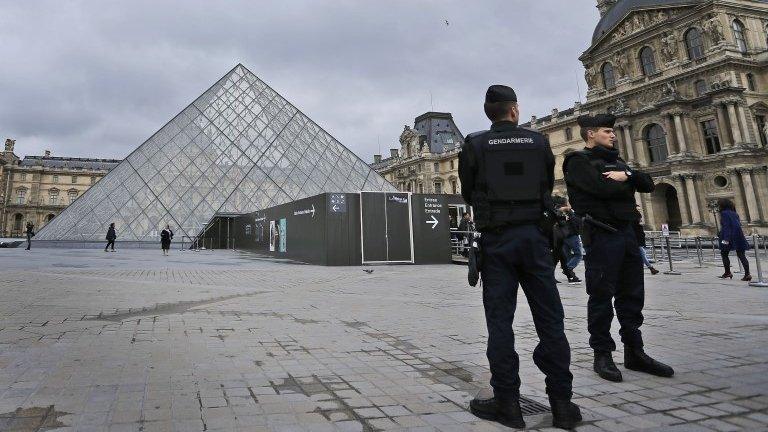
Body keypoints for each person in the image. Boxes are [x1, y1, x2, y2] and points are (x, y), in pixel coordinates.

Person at [459, 85, 581, 430]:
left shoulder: (475, 143)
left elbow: (468, 191)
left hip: (497, 242)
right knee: (551, 321)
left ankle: (508, 405)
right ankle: (562, 404)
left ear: (489, 112)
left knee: (500, 324)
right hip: (536, 239)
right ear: (514, 111)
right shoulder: (540, 142)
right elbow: (545, 184)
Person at [563, 113, 674, 383]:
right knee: (601, 297)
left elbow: (647, 184)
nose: (612, 135)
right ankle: (602, 354)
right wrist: (627, 183)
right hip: (602, 235)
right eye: (606, 131)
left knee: (632, 296)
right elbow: (603, 190)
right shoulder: (577, 161)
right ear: (590, 134)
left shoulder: (619, 163)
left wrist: (627, 175)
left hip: (627, 234)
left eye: (612, 131)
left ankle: (635, 351)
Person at [717, 199, 751, 281]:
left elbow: (727, 226)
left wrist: (726, 240)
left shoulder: (724, 213)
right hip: (739, 236)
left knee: (724, 253)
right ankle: (747, 274)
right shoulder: (735, 213)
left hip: (728, 237)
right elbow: (737, 225)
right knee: (741, 255)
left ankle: (727, 272)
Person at [553, 196, 583, 284]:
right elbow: (575, 221)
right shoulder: (565, 211)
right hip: (570, 235)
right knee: (578, 254)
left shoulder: (558, 210)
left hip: (563, 236)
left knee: (565, 257)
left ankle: (571, 276)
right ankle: (568, 269)